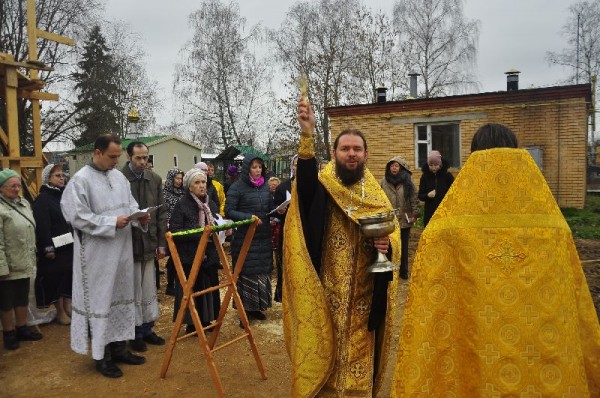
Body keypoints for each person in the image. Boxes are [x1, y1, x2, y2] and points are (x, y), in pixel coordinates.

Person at [393, 124, 600, 396]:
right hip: (541, 342)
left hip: (477, 337)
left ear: (474, 153)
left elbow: (431, 267)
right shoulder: (550, 220)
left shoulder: (449, 222)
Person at [282, 98, 401, 397]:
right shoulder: (324, 184)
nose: (351, 154)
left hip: (364, 295)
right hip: (327, 293)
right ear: (334, 153)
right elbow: (305, 190)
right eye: (345, 149)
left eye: (357, 149)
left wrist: (388, 245)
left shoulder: (375, 193)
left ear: (365, 155)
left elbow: (394, 234)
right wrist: (307, 137)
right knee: (328, 355)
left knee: (360, 361)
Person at [61, 133, 150, 378]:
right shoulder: (80, 181)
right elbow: (76, 216)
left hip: (121, 251)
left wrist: (139, 215)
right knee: (102, 301)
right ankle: (102, 356)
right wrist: (111, 222)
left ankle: (120, 348)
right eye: (111, 156)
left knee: (121, 296)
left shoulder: (119, 177)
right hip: (97, 256)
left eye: (118, 156)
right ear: (97, 152)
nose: (115, 160)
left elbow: (129, 204)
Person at [121, 141, 167, 352]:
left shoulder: (154, 179)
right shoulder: (120, 179)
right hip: (128, 244)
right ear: (129, 157)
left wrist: (161, 243)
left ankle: (148, 328)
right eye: (138, 158)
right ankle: (134, 331)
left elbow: (161, 213)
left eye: (145, 157)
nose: (142, 162)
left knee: (148, 287)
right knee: (132, 290)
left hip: (149, 243)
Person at [169, 168, 221, 333]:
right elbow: (175, 233)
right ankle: (192, 323)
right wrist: (198, 235)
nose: (201, 186)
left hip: (209, 254)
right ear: (189, 187)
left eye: (203, 182)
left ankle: (207, 319)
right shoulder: (182, 205)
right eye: (197, 183)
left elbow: (217, 221)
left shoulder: (210, 203)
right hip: (189, 256)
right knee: (193, 289)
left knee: (209, 286)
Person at [225, 154, 274, 322]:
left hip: (263, 237)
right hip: (245, 238)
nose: (258, 170)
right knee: (246, 274)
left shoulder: (266, 187)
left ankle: (257, 307)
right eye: (254, 167)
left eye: (260, 167)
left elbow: (269, 207)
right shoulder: (237, 187)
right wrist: (248, 217)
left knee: (261, 272)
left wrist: (277, 211)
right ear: (247, 169)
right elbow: (229, 211)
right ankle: (244, 311)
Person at [0, 169, 43, 350]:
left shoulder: (24, 203)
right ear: (1, 188)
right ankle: (9, 333)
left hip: (24, 260)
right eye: (13, 186)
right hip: (8, 264)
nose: (17, 189)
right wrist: (2, 267)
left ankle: (22, 327)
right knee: (6, 301)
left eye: (18, 185)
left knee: (22, 297)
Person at [32, 164, 73, 326]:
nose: (62, 178)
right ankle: (60, 311)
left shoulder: (63, 196)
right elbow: (43, 226)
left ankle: (67, 306)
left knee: (67, 276)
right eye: (57, 175)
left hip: (68, 244)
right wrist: (47, 247)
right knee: (56, 278)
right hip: (55, 248)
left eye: (63, 175)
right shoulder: (43, 199)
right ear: (48, 178)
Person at [379, 156, 419, 280]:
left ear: (401, 168)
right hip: (389, 219)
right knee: (390, 245)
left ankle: (403, 271)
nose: (394, 168)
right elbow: (380, 199)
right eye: (392, 166)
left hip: (404, 219)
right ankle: (390, 272)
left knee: (404, 246)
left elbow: (414, 199)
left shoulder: (408, 181)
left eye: (396, 166)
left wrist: (414, 213)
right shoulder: (384, 181)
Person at [272, 155, 297, 302]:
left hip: (307, 232)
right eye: (295, 164)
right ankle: (283, 294)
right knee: (286, 263)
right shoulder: (283, 187)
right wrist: (280, 211)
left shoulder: (317, 186)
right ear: (292, 167)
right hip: (287, 229)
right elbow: (275, 208)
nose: (298, 167)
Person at [162, 168, 185, 296]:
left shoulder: (183, 193)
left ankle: (179, 282)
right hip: (170, 228)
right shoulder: (164, 194)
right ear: (171, 179)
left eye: (181, 178)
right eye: (177, 178)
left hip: (182, 227)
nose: (179, 181)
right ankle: (170, 285)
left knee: (180, 256)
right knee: (173, 256)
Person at [417, 150, 454, 227]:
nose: (433, 167)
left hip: (444, 211)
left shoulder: (447, 176)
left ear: (440, 164)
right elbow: (420, 196)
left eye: (436, 165)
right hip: (430, 213)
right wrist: (427, 195)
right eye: (431, 165)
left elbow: (454, 192)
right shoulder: (424, 177)